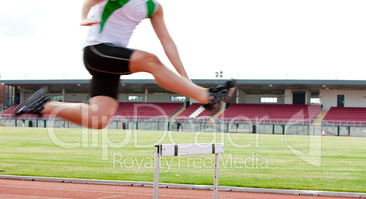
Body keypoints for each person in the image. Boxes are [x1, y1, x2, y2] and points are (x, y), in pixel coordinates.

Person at [14, 0, 237, 129]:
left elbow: (167, 41)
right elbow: (90, 1)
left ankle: (43, 105)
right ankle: (207, 97)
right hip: (97, 51)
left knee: (98, 119)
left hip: (112, 62)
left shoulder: (153, 6)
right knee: (151, 60)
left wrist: (186, 81)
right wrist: (83, 16)